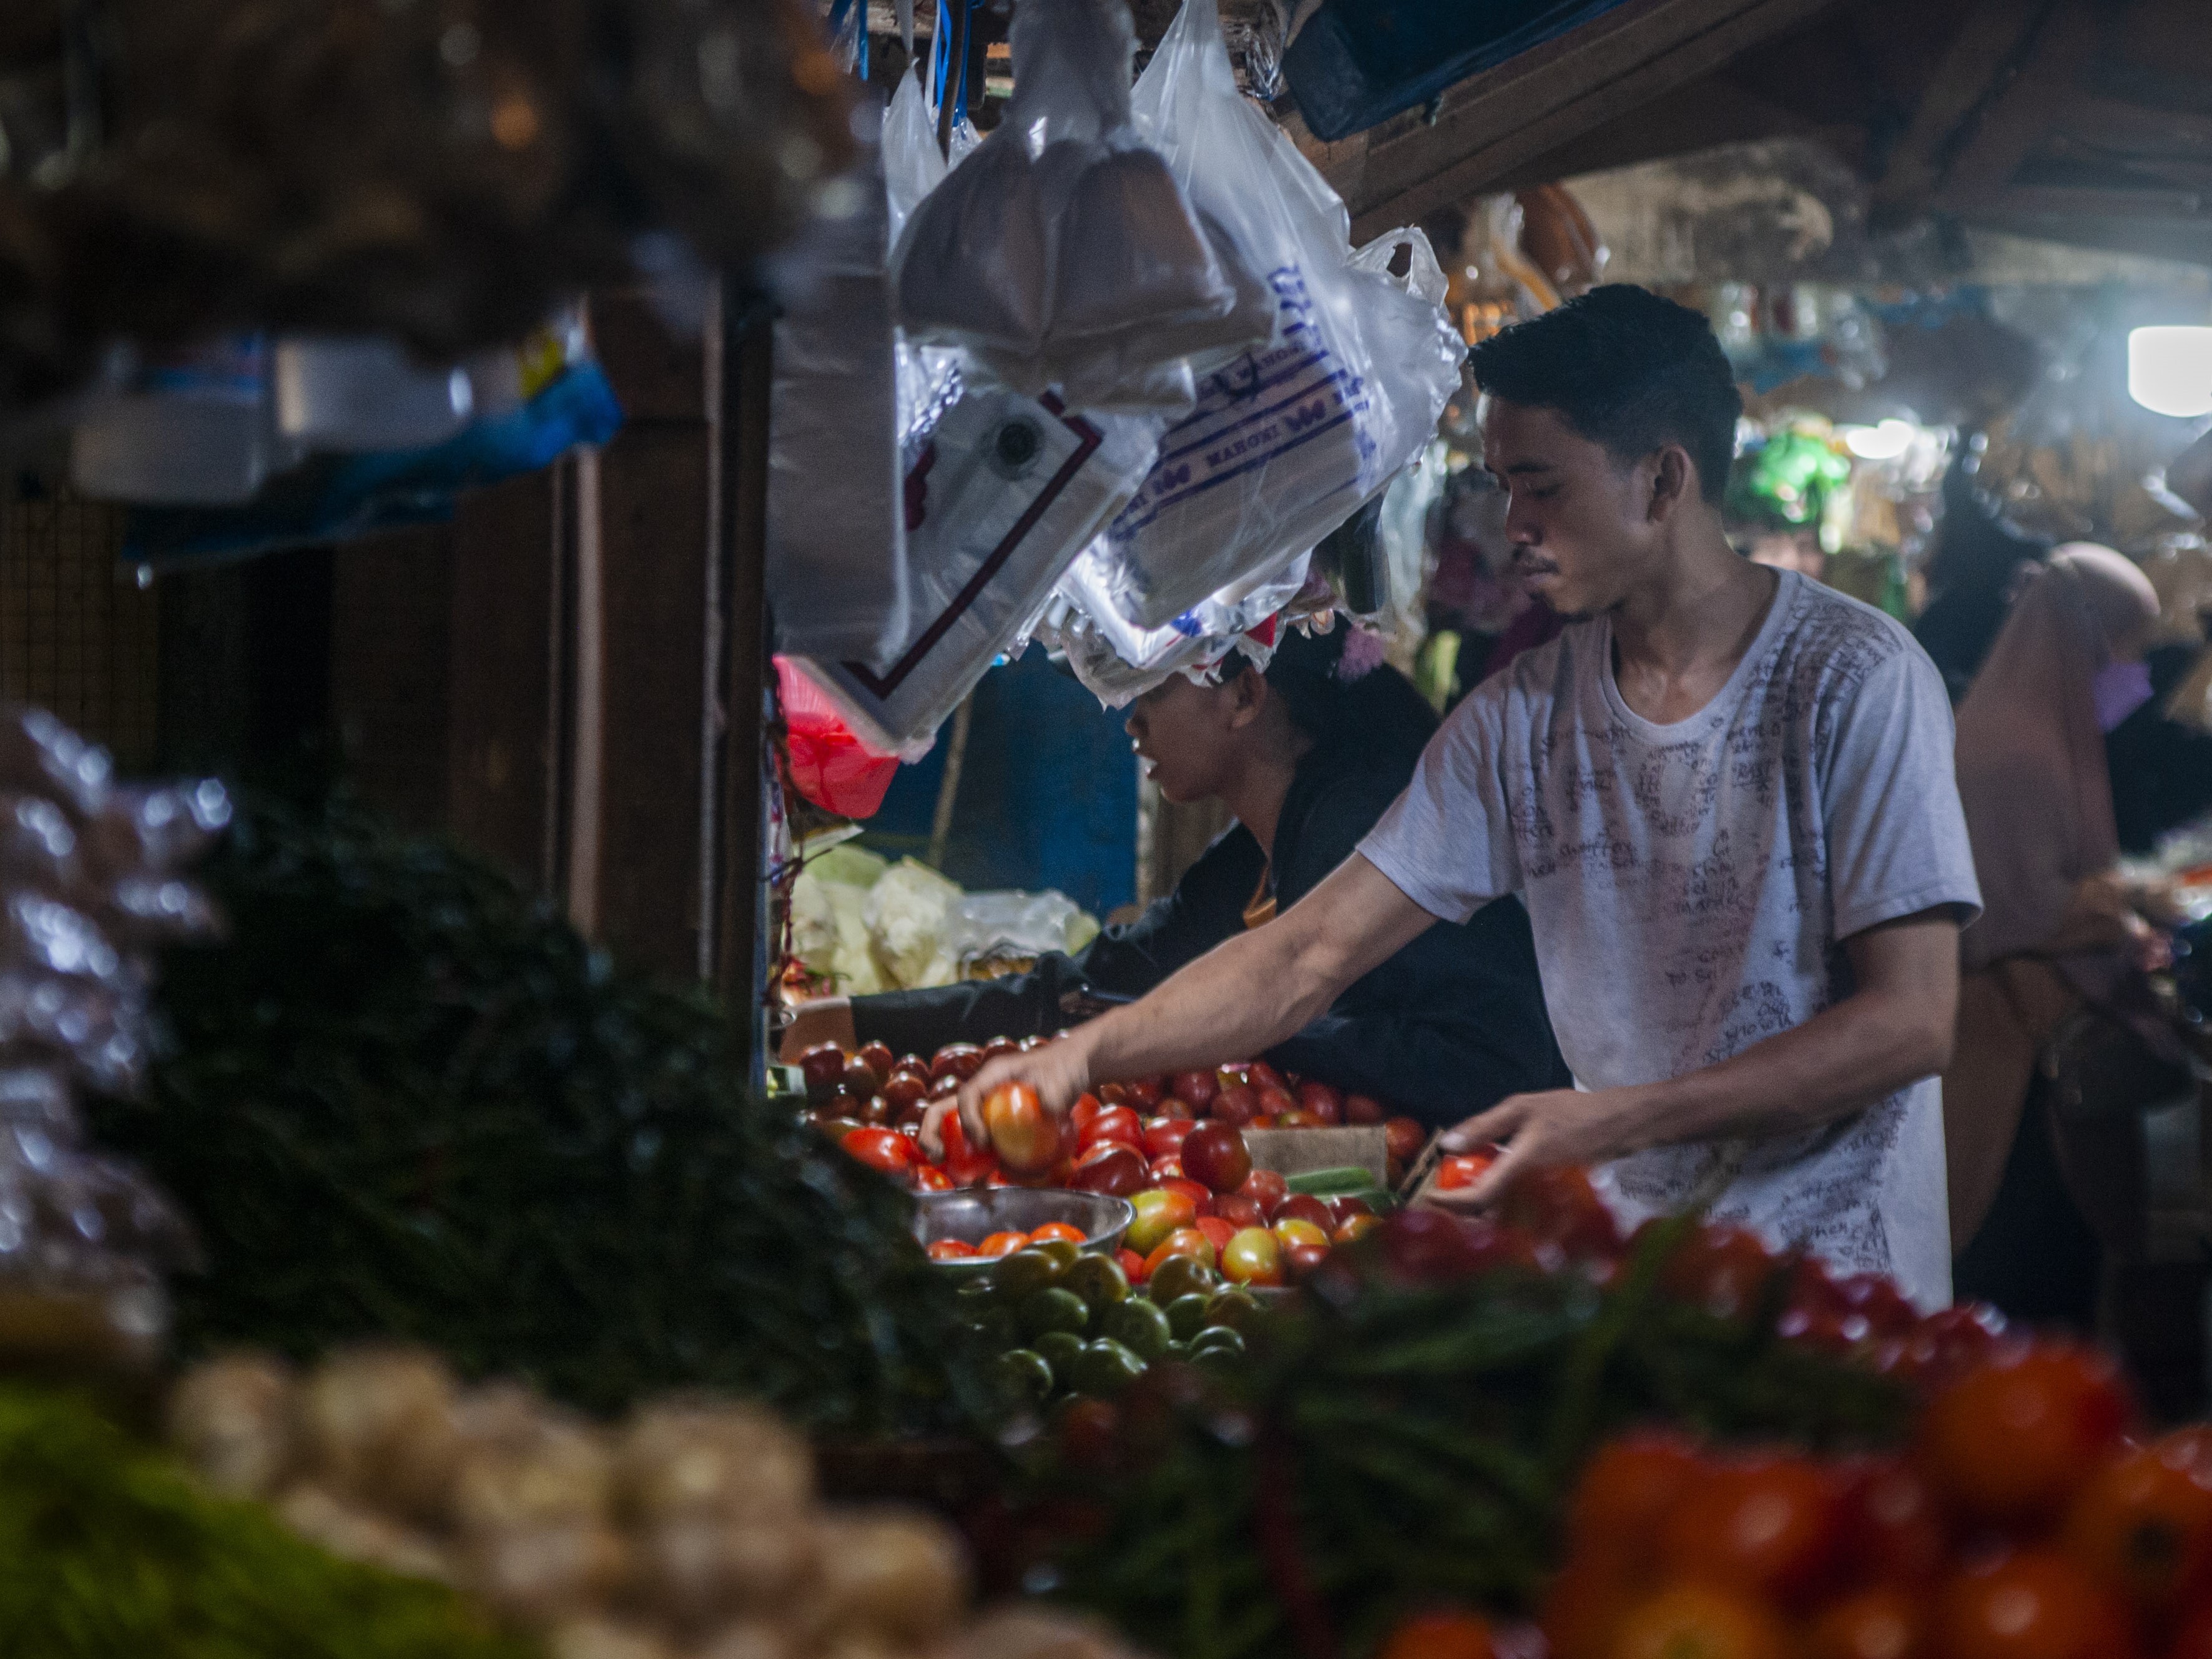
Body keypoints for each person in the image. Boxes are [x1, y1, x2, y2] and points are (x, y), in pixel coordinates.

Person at [931, 285, 1982, 1308]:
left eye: (1541, 487)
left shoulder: (1853, 680)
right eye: (1500, 485)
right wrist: (1083, 1049)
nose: (1508, 524)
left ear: (1662, 483)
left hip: (1838, 1297)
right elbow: (1308, 952)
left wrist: (1610, 1120)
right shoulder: (1518, 718)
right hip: (1625, 1288)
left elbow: (1909, 1021)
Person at [780, 624, 1567, 1124]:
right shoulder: (1254, 854)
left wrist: (1217, 1026)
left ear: (1245, 694)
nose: (1131, 722)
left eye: (1150, 693)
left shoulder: (1358, 827)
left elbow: (1491, 1063)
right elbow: (1096, 980)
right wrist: (843, 1023)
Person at [1944, 544, 2184, 1327]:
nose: (2138, 672)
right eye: (2131, 647)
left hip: (2024, 1046)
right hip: (2009, 1060)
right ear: (2087, 639)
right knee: (2026, 1275)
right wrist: (2131, 896)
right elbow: (2006, 907)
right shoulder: (2016, 750)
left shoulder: (2032, 727)